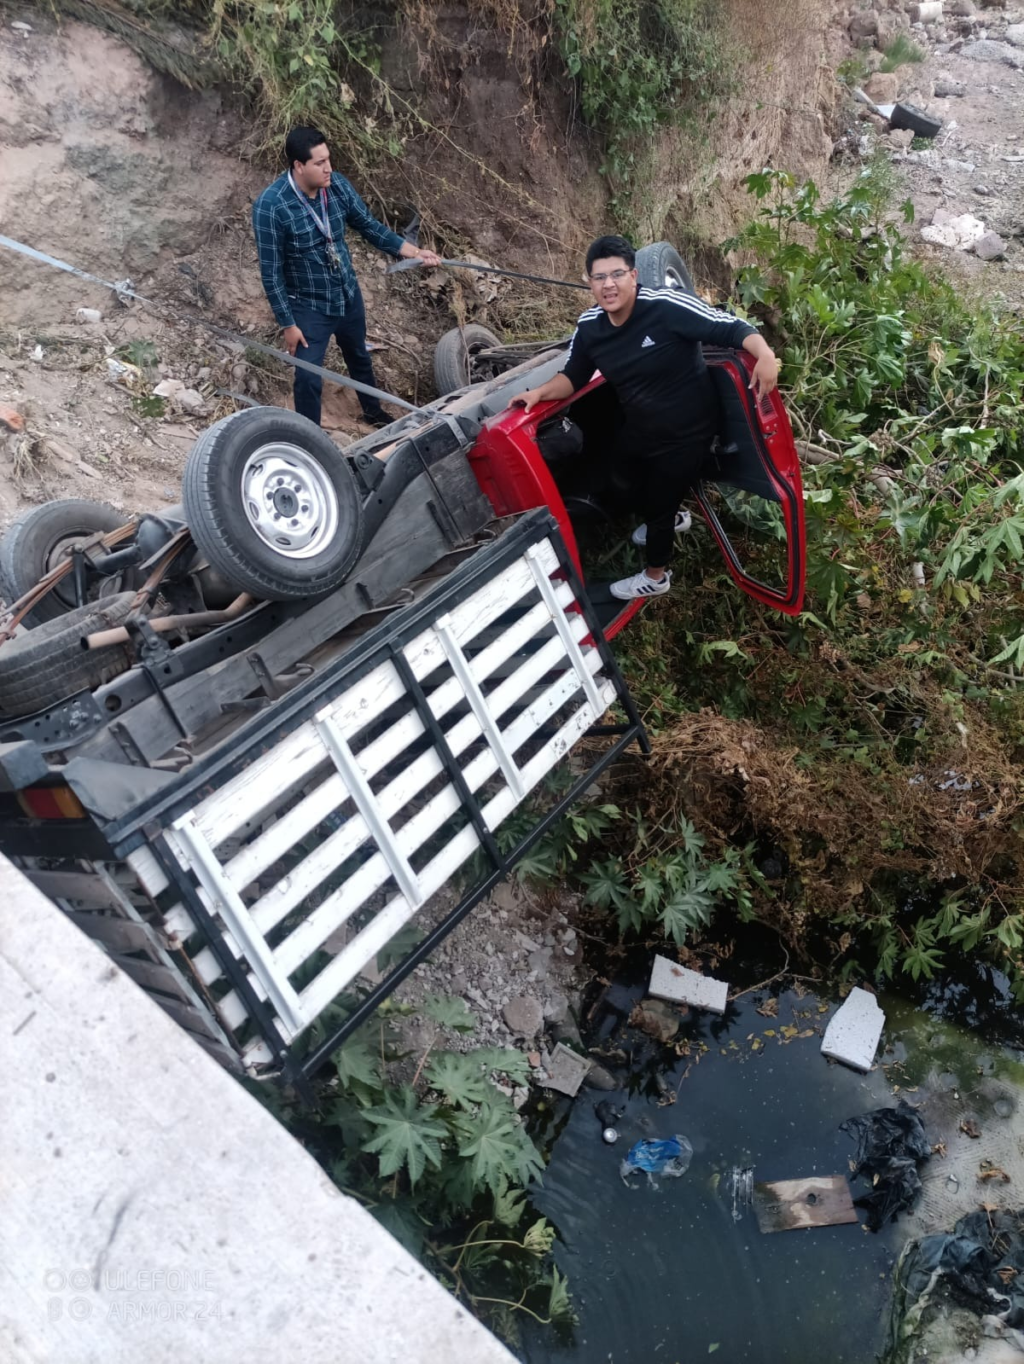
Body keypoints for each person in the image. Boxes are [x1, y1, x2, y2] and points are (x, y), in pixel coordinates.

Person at [511, 235, 780, 600]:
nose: (608, 284)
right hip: (641, 425)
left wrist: (763, 354)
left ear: (634, 275)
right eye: (598, 277)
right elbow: (573, 376)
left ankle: (656, 574)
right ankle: (669, 519)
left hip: (689, 430)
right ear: (589, 282)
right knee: (620, 471)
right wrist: (540, 393)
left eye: (616, 274)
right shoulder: (590, 327)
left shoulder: (666, 306)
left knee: (660, 499)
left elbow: (729, 327)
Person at [252, 126, 440, 429]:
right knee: (307, 375)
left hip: (346, 293)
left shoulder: (336, 186)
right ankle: (309, 436)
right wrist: (288, 323)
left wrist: (414, 252)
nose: (329, 169)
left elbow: (369, 226)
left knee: (358, 356)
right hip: (309, 306)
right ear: (298, 166)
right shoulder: (271, 207)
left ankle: (373, 411)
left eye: (329, 159)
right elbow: (271, 273)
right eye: (319, 163)